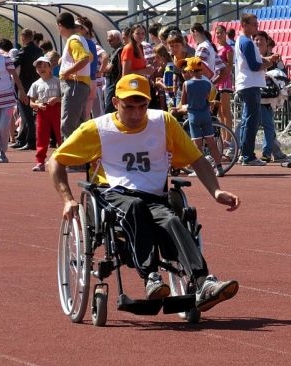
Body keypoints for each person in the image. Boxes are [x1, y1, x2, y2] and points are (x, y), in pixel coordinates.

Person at [48, 73, 240, 311]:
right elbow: (55, 161)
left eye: (142, 106)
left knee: (171, 219)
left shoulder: (164, 123)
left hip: (153, 196)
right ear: (116, 102)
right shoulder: (98, 129)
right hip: (114, 194)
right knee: (134, 208)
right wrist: (67, 199)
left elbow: (197, 159)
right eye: (129, 107)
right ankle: (150, 276)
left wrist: (216, 192)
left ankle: (203, 283)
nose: (137, 114)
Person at [234, 13, 279, 166]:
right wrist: (270, 63)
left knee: (248, 120)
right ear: (244, 25)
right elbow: (254, 66)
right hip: (250, 84)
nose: (257, 26)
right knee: (252, 121)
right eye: (254, 24)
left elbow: (254, 63)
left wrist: (267, 60)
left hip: (247, 83)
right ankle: (248, 156)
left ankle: (244, 154)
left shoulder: (244, 41)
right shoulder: (246, 42)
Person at [180, 56, 225, 177]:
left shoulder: (186, 84)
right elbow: (207, 99)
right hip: (206, 115)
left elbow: (184, 102)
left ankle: (199, 170)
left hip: (194, 116)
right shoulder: (207, 83)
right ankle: (219, 168)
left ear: (190, 71)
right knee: (211, 143)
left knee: (197, 145)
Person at [253, 31, 288, 162]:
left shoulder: (276, 58)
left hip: (269, 96)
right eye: (256, 40)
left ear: (267, 42)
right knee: (263, 125)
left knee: (266, 125)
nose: (259, 42)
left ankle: (269, 152)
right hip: (255, 94)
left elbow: (283, 73)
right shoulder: (252, 57)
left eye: (261, 40)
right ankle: (268, 152)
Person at [56, 12, 91, 140]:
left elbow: (85, 59)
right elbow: (89, 57)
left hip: (74, 85)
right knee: (78, 125)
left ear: (60, 25)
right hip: (80, 85)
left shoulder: (73, 40)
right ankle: (81, 158)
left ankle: (69, 158)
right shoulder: (80, 38)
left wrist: (67, 72)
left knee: (68, 125)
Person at [28, 56, 62, 172]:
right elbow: (31, 102)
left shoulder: (57, 81)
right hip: (42, 111)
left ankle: (64, 160)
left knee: (60, 135)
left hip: (56, 110)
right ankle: (40, 162)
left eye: (44, 66)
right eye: (39, 66)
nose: (42, 69)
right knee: (41, 137)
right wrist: (37, 105)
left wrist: (57, 99)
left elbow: (65, 97)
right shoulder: (35, 84)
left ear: (50, 67)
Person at [12, 28, 43, 151]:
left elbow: (13, 64)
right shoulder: (39, 51)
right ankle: (22, 139)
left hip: (24, 85)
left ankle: (30, 141)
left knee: (26, 114)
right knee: (30, 114)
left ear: (23, 38)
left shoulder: (23, 50)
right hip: (36, 83)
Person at [103, 29, 124, 114]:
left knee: (109, 107)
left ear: (118, 38)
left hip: (113, 82)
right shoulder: (115, 51)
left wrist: (98, 70)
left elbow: (109, 68)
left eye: (110, 40)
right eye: (108, 40)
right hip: (113, 81)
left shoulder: (119, 50)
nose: (109, 42)